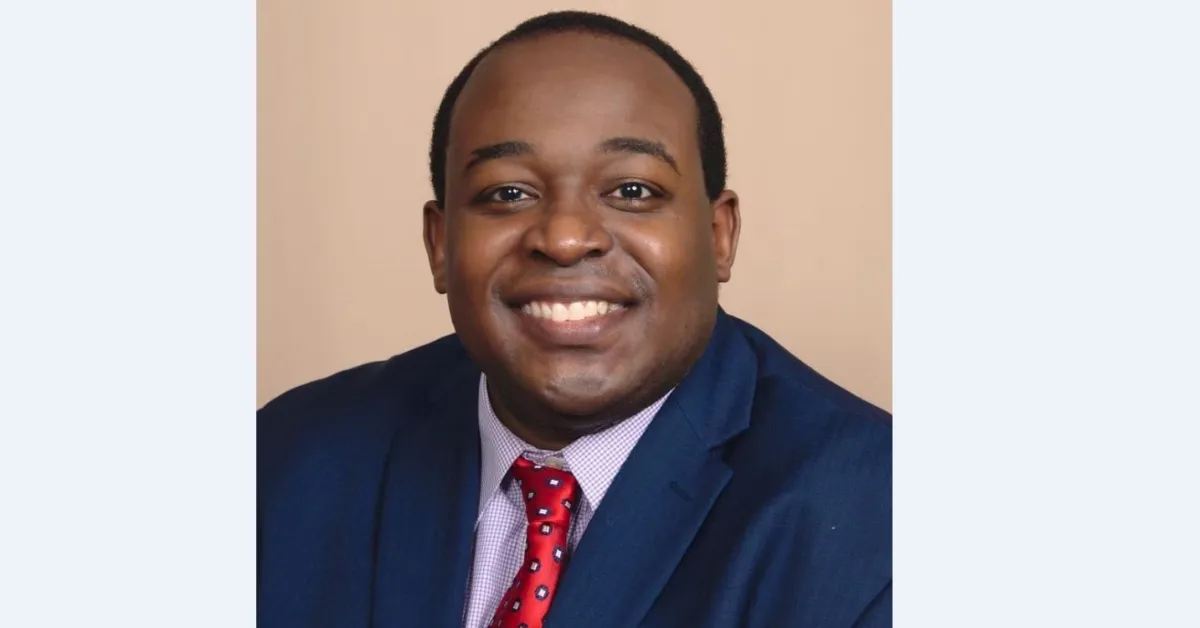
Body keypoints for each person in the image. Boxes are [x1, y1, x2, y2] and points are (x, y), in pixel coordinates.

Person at [258, 10, 891, 628]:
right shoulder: (285, 460)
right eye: (508, 193)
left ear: (719, 235)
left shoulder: (880, 522)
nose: (564, 239)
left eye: (633, 191)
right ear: (440, 244)